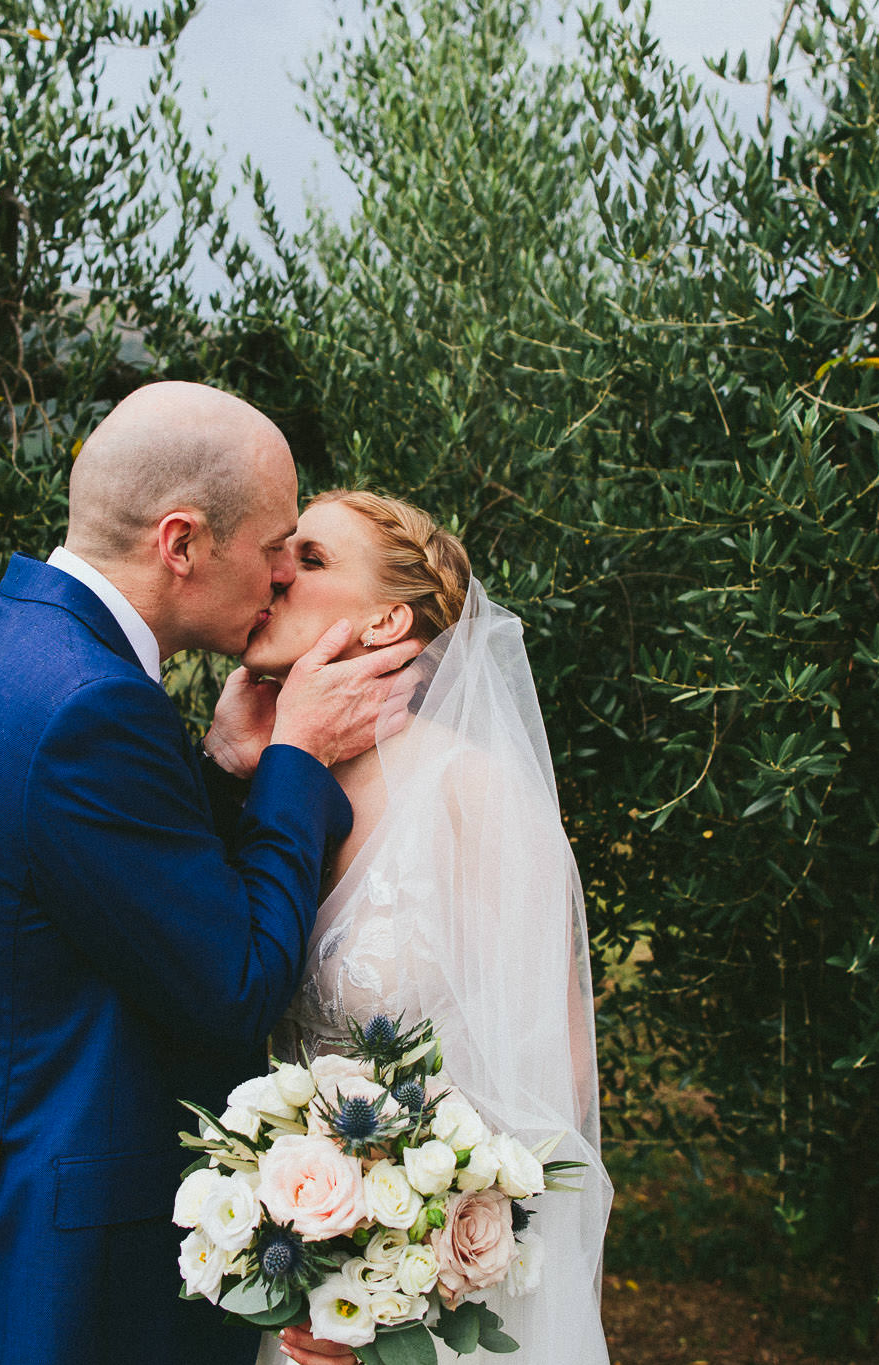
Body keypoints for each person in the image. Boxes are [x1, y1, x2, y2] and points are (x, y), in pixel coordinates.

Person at [0, 384, 424, 1365]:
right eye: (273, 545)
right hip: (51, 1272)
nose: (282, 573)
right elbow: (231, 988)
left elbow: (93, 890)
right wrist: (295, 757)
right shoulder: (91, 708)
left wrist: (223, 769)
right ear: (181, 543)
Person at [240, 491, 614, 1365]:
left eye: (313, 557)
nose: (278, 570)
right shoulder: (275, 791)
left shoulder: (471, 793)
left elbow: (553, 1091)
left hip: (433, 1311)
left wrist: (395, 1289)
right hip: (299, 1298)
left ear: (387, 621)